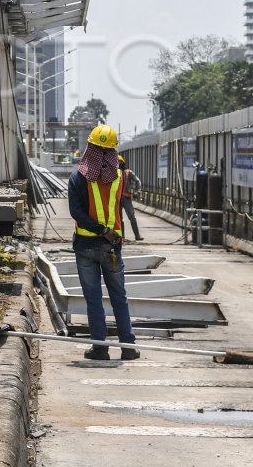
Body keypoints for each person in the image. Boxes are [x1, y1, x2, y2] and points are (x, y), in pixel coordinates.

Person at [68, 124, 138, 361]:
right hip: (111, 247)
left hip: (85, 247)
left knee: (94, 299)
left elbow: (76, 213)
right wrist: (109, 231)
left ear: (89, 147)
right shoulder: (118, 177)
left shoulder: (77, 177)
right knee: (119, 296)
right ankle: (128, 347)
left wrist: (99, 230)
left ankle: (100, 348)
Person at [118, 154, 143, 241]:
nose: (118, 163)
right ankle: (122, 236)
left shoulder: (128, 172)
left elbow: (137, 181)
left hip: (126, 198)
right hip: (117, 199)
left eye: (119, 162)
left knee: (132, 217)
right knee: (119, 218)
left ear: (123, 162)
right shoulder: (113, 174)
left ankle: (137, 235)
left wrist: (138, 191)